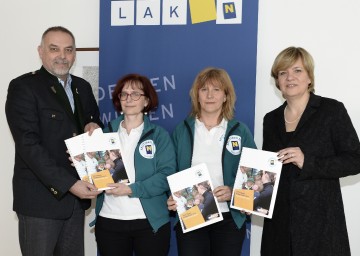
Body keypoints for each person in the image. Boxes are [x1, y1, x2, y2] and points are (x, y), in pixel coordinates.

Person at [5, 26, 103, 256]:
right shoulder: (24, 87)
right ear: (41, 52)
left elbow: (92, 121)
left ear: (74, 54)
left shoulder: (82, 87)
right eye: (54, 49)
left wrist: (93, 126)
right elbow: (29, 146)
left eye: (68, 50)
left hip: (74, 204)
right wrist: (70, 184)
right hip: (40, 201)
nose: (62, 55)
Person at [261, 46, 360, 256]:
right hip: (279, 226)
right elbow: (266, 171)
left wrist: (308, 162)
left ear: (309, 77)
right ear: (277, 81)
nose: (290, 77)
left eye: (297, 70)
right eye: (283, 72)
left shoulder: (331, 111)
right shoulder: (270, 120)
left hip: (321, 225)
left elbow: (355, 159)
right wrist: (252, 199)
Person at [167, 67, 257, 256]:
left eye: (216, 90)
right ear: (196, 96)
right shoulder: (182, 130)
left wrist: (234, 191)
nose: (210, 95)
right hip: (192, 213)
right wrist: (172, 195)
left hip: (229, 219)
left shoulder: (240, 131)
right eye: (204, 89)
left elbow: (255, 174)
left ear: (226, 96)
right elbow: (169, 171)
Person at [90, 73, 176, 256]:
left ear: (146, 101)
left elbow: (166, 176)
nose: (129, 99)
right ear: (118, 100)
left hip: (149, 222)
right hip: (109, 220)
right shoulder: (104, 135)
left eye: (136, 94)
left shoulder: (159, 136)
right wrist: (80, 159)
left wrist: (131, 189)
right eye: (124, 94)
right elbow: (93, 173)